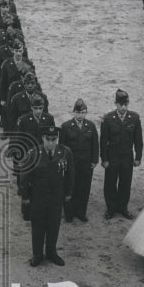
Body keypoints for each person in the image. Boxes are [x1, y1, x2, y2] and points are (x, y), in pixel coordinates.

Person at [20, 126, 74, 266]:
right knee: (38, 227)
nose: (51, 143)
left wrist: (68, 194)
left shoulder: (65, 152)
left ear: (57, 139)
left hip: (56, 197)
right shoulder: (33, 154)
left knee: (54, 226)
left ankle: (51, 252)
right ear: (43, 138)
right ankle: (37, 254)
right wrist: (25, 198)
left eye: (54, 139)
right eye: (48, 139)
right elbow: (24, 177)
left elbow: (70, 175)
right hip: (38, 197)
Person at [100, 89, 143, 220]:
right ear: (115, 104)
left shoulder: (134, 118)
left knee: (125, 182)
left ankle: (123, 207)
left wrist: (138, 157)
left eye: (125, 104)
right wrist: (104, 159)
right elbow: (103, 141)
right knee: (110, 182)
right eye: (120, 105)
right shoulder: (108, 119)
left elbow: (138, 140)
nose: (123, 108)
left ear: (128, 103)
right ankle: (111, 208)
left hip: (127, 156)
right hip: (112, 156)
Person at [58, 99, 98, 222]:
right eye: (79, 112)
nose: (81, 115)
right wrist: (63, 162)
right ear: (74, 112)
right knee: (70, 187)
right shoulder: (66, 126)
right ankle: (69, 214)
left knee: (84, 188)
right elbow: (62, 146)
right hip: (71, 163)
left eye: (84, 113)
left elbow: (95, 144)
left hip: (86, 163)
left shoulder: (90, 126)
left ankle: (81, 212)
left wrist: (94, 160)